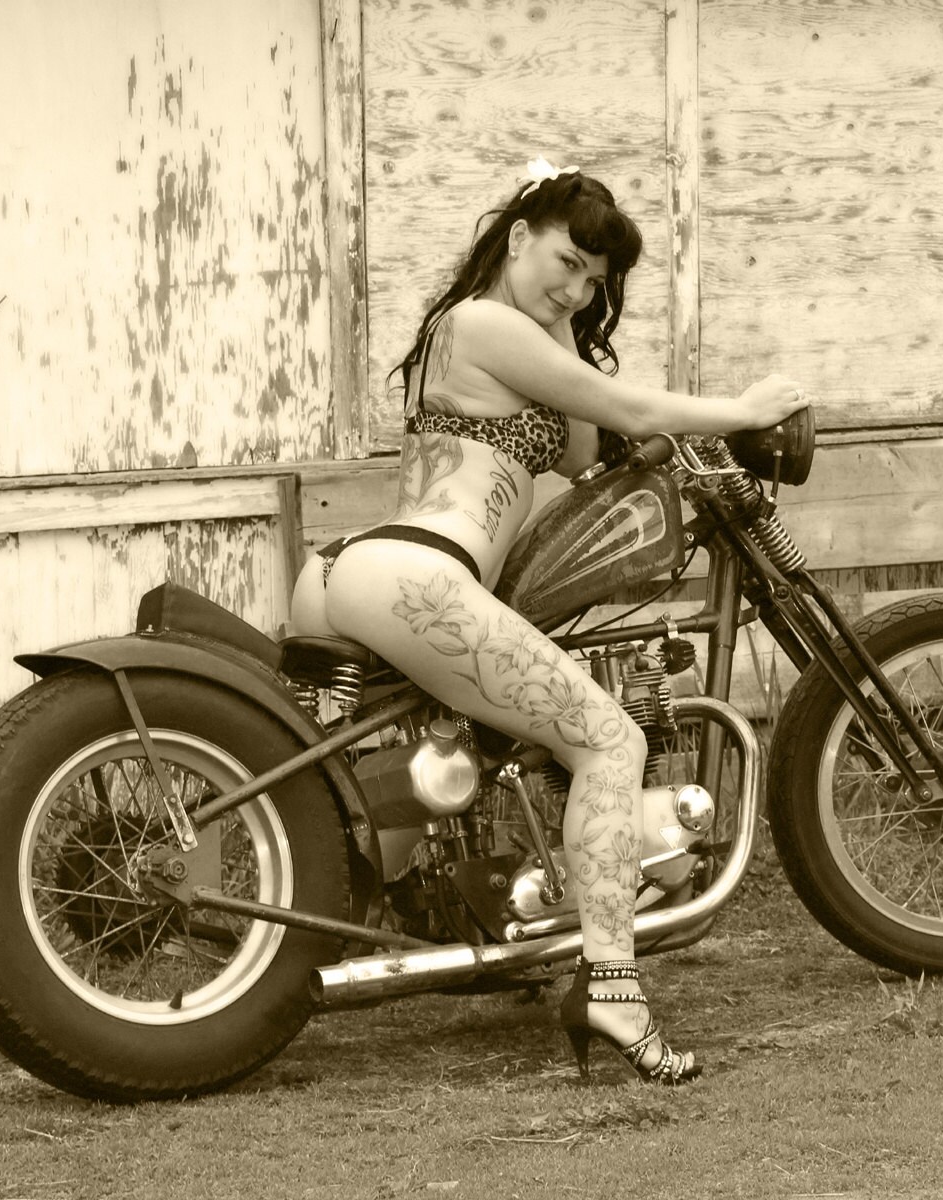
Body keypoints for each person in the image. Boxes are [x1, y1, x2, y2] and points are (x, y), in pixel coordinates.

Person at [288, 158, 809, 1085]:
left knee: (435, 763)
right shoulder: (482, 322)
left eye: (593, 282)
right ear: (517, 234)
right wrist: (746, 410)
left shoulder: (513, 335)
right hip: (418, 572)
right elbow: (623, 408)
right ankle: (611, 987)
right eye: (565, 261)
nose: (574, 287)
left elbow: (575, 447)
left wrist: (566, 313)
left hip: (364, 569)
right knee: (609, 741)